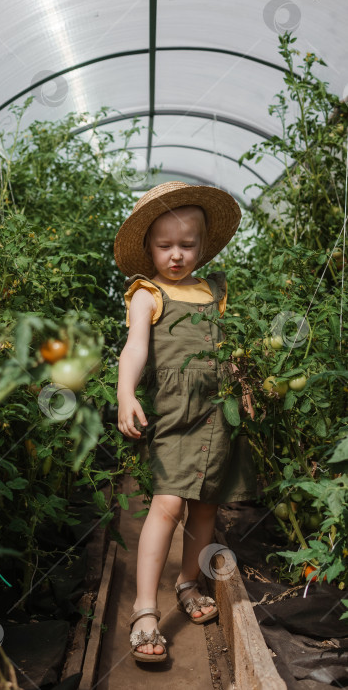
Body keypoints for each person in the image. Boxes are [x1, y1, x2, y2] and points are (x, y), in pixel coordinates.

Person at [114, 181, 257, 663]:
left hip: (218, 414)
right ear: (149, 248)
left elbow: (229, 346)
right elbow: (135, 348)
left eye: (187, 245)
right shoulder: (147, 294)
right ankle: (145, 610)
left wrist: (244, 383)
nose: (176, 255)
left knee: (205, 505)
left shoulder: (214, 290)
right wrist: (125, 392)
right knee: (168, 501)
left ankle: (187, 583)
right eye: (164, 246)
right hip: (176, 414)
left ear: (202, 246)